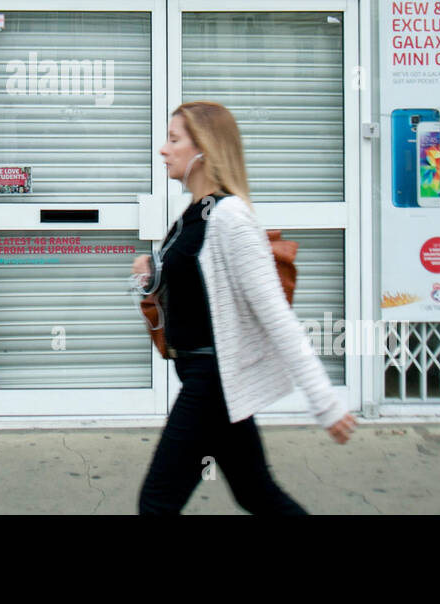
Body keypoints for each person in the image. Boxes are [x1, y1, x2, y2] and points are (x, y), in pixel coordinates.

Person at [132, 100, 356, 514]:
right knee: (257, 493)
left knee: (156, 504)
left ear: (205, 150)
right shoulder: (194, 215)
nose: (164, 149)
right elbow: (195, 288)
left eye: (174, 139)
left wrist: (325, 402)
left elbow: (277, 317)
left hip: (211, 382)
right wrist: (152, 273)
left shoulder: (229, 217)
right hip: (206, 377)